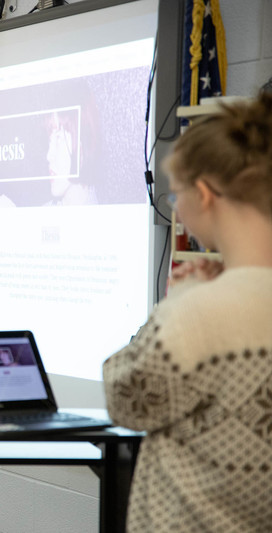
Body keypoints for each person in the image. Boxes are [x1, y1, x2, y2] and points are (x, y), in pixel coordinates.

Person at [102, 92, 272, 532]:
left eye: (176, 196)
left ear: (203, 194)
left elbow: (124, 398)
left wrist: (176, 302)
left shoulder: (194, 313)